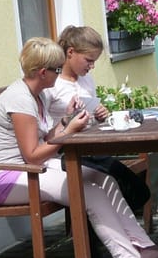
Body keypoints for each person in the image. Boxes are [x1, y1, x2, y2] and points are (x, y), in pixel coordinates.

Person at [0, 37, 158, 258]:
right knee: (88, 191)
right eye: (57, 70)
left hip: (31, 169)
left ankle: (145, 247)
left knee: (104, 179)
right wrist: (68, 132)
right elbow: (32, 155)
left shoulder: (39, 95)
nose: (59, 75)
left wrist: (67, 120)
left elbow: (46, 137)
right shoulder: (19, 100)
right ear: (43, 72)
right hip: (7, 177)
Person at [43, 25, 150, 216]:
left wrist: (100, 115)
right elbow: (44, 127)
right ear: (70, 52)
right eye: (88, 60)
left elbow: (90, 115)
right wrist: (68, 121)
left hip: (90, 149)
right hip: (65, 153)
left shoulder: (86, 80)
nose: (91, 66)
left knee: (138, 190)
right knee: (108, 185)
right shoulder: (52, 84)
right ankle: (96, 236)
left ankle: (109, 228)